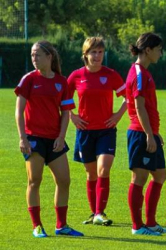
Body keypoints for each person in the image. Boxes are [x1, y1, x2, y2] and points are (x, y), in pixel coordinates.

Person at [15, 40, 84, 237]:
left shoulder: (61, 82)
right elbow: (19, 112)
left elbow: (65, 112)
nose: (34, 58)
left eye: (37, 54)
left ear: (49, 56)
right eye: (32, 55)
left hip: (54, 139)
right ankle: (37, 226)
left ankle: (61, 226)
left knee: (64, 180)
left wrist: (62, 137)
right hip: (33, 139)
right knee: (34, 181)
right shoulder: (28, 80)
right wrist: (23, 138)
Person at [67, 37, 126, 226]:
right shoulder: (76, 76)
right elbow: (62, 99)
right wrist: (72, 117)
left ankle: (100, 212)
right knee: (91, 174)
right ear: (85, 54)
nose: (98, 56)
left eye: (100, 52)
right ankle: (94, 213)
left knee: (104, 169)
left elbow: (129, 97)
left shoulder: (111, 75)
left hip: (106, 130)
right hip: (85, 132)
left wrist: (117, 115)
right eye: (94, 52)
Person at [125, 32, 166, 236]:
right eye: (159, 49)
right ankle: (137, 226)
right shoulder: (139, 73)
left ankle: (150, 222)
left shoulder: (145, 72)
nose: (161, 53)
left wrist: (155, 134)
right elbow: (139, 107)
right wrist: (149, 134)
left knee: (160, 175)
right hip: (140, 133)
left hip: (149, 132)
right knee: (139, 177)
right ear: (148, 50)